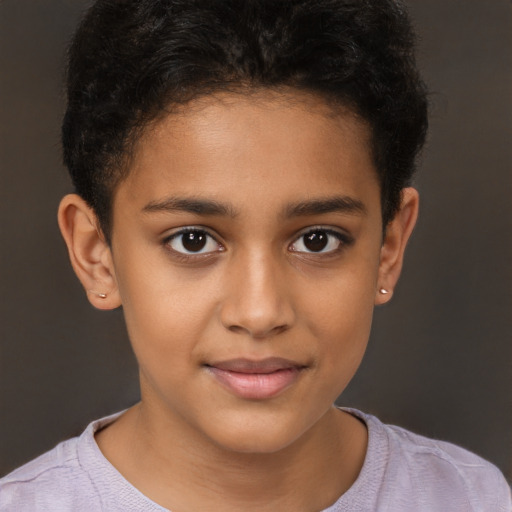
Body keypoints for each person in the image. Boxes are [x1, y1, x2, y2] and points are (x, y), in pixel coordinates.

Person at [1, 0, 510, 510]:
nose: (260, 312)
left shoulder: (474, 498)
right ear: (97, 256)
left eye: (318, 240)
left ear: (388, 247)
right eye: (193, 240)